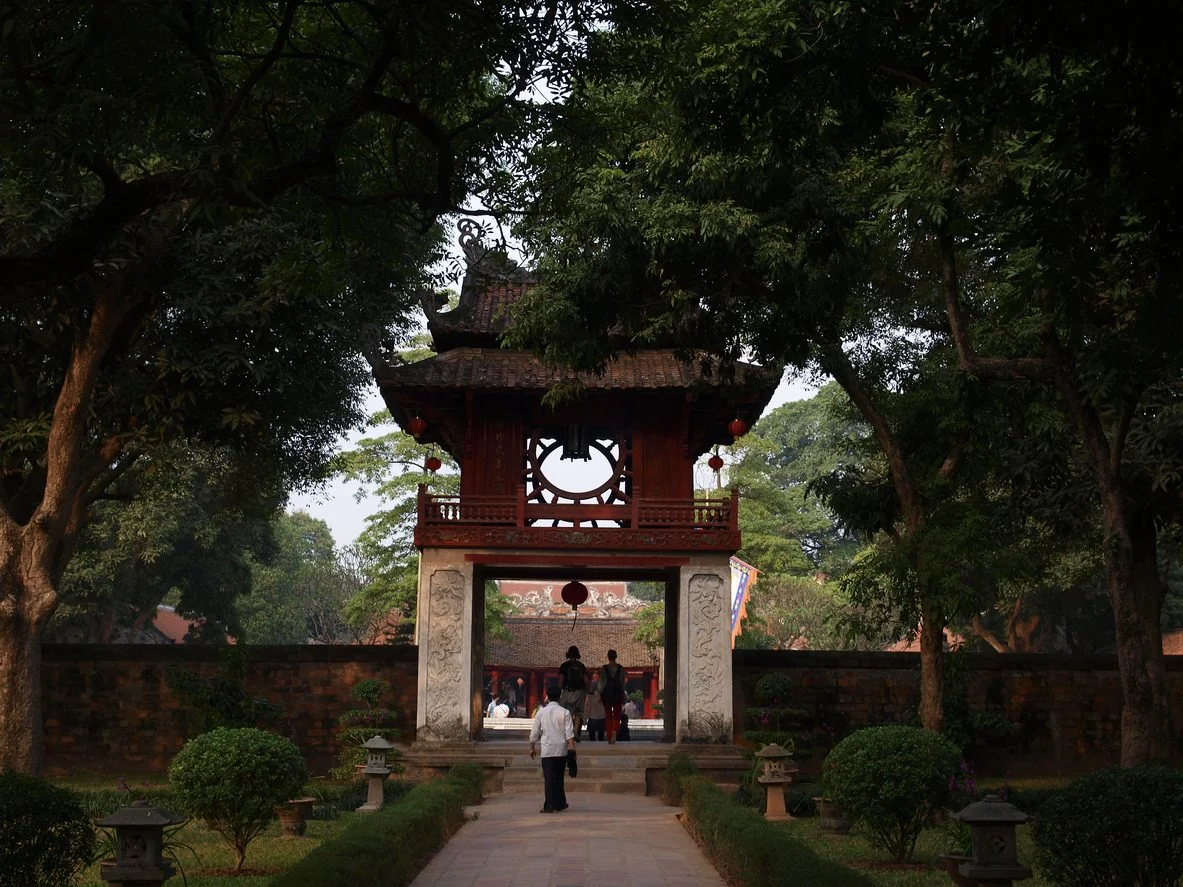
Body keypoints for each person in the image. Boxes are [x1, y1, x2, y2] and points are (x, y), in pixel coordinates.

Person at [529, 684, 575, 813]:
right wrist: (572, 751)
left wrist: (532, 748)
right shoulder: (565, 712)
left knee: (548, 778)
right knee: (559, 777)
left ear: (547, 696)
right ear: (560, 697)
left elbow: (535, 732)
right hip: (561, 750)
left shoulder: (541, 712)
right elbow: (569, 734)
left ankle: (549, 804)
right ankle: (560, 803)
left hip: (547, 750)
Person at [558, 644, 588, 741]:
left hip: (568, 690)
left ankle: (570, 733)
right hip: (580, 692)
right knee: (578, 713)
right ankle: (575, 731)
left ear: (568, 654)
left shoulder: (564, 666)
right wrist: (586, 691)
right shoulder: (581, 666)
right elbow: (586, 680)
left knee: (568, 712)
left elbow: (561, 680)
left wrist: (559, 691)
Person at [599, 648, 626, 744]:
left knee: (608, 715)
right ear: (616, 657)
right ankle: (615, 730)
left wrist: (599, 693)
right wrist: (622, 692)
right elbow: (622, 682)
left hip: (606, 694)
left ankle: (610, 736)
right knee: (617, 715)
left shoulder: (604, 669)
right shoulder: (620, 668)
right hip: (618, 693)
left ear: (608, 657)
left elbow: (601, 683)